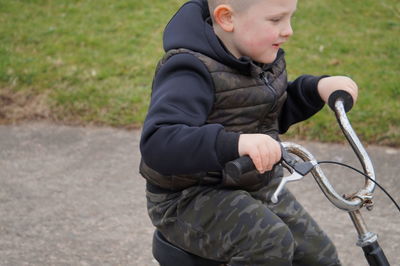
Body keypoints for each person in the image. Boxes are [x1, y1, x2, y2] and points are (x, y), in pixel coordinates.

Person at [139, 0, 358, 265]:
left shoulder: (256, 58)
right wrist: (236, 143)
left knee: (318, 255)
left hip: (251, 183)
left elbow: (265, 111)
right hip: (187, 197)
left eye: (290, 18)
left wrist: (315, 89)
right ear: (227, 18)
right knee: (269, 243)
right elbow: (160, 141)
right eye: (276, 20)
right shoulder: (189, 69)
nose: (288, 30)